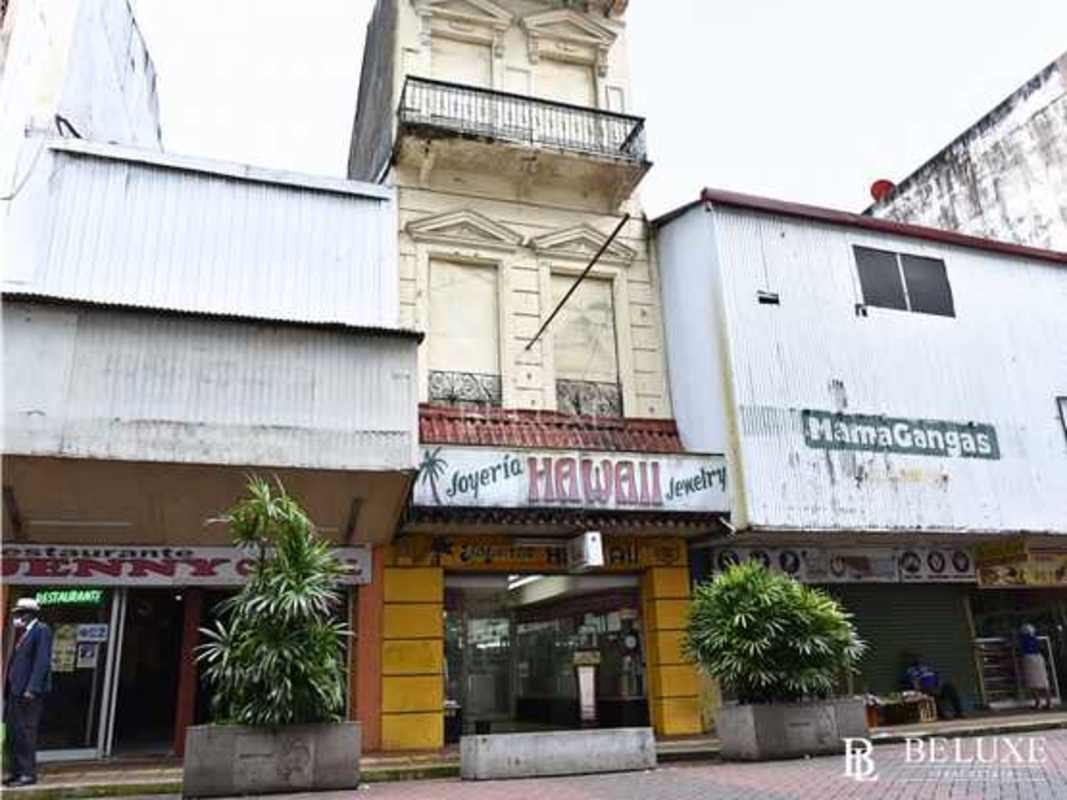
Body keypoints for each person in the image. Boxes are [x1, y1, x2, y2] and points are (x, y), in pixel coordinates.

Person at [3, 598, 53, 787]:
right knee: (13, 732)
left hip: (28, 693)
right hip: (15, 691)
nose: (17, 617)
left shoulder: (41, 631)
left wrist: (32, 688)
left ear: (29, 613)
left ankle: (27, 773)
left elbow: (42, 661)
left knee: (25, 732)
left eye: (19, 613)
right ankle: (15, 772)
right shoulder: (24, 633)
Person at [900, 652, 965, 720]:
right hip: (925, 690)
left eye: (916, 658)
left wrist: (938, 685)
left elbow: (936, 676)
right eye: (912, 659)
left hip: (936, 688)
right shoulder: (910, 670)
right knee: (931, 693)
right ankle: (942, 715)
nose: (916, 660)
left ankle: (959, 712)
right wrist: (919, 691)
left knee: (950, 687)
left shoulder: (926, 667)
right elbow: (914, 683)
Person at [1018, 624, 1052, 710]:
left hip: (1029, 658)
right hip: (1039, 657)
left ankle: (1038, 702)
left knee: (1033, 682)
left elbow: (1020, 647)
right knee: (1044, 681)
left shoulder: (1023, 639)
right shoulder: (1035, 639)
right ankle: (1049, 702)